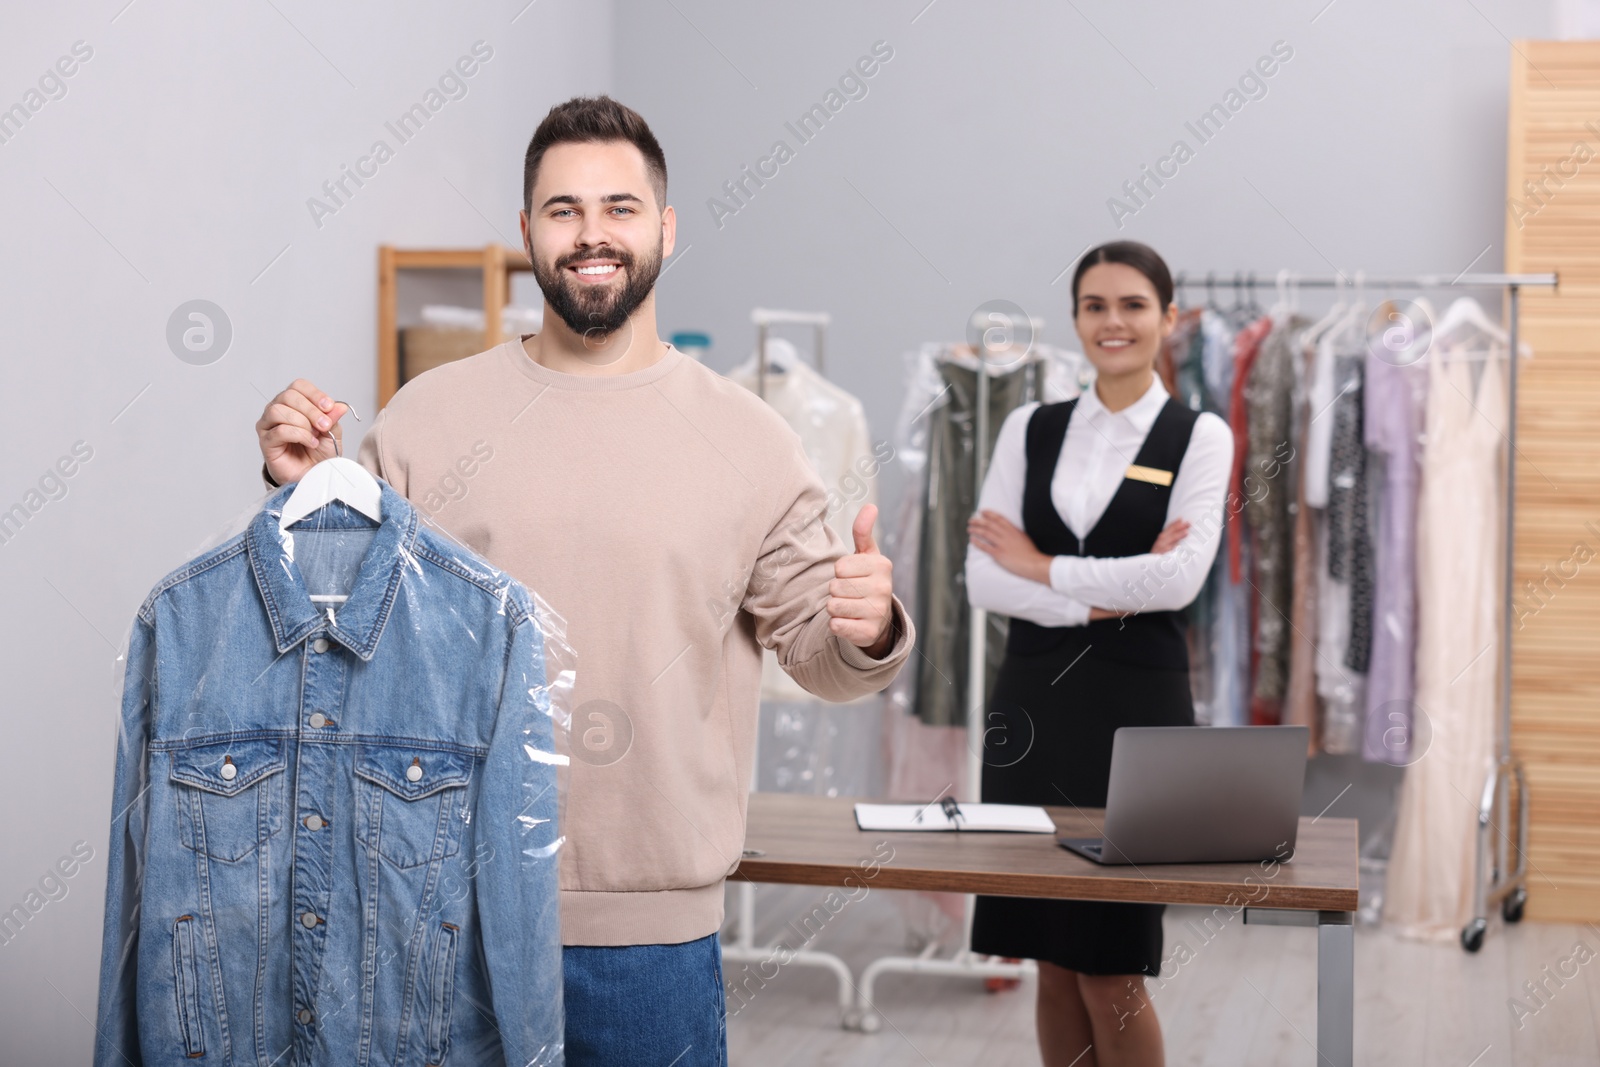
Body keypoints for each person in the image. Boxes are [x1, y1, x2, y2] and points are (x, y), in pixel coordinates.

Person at [254, 96, 914, 1066]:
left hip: (652, 945)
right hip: (443, 917)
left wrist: (867, 627)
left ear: (665, 228)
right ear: (526, 232)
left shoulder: (751, 441)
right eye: (562, 210)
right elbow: (332, 639)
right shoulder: (425, 419)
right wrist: (299, 496)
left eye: (619, 206)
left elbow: (820, 655)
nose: (592, 233)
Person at [964, 241, 1232, 1067]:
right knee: (1050, 960)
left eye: (1132, 305)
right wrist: (1110, 591)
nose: (1112, 322)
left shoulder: (1200, 435)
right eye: (1094, 305)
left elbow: (1181, 579)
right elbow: (981, 579)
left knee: (1114, 970)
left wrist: (1040, 567)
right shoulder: (1029, 426)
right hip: (1034, 704)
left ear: (1169, 319)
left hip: (1136, 713)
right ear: (1075, 318)